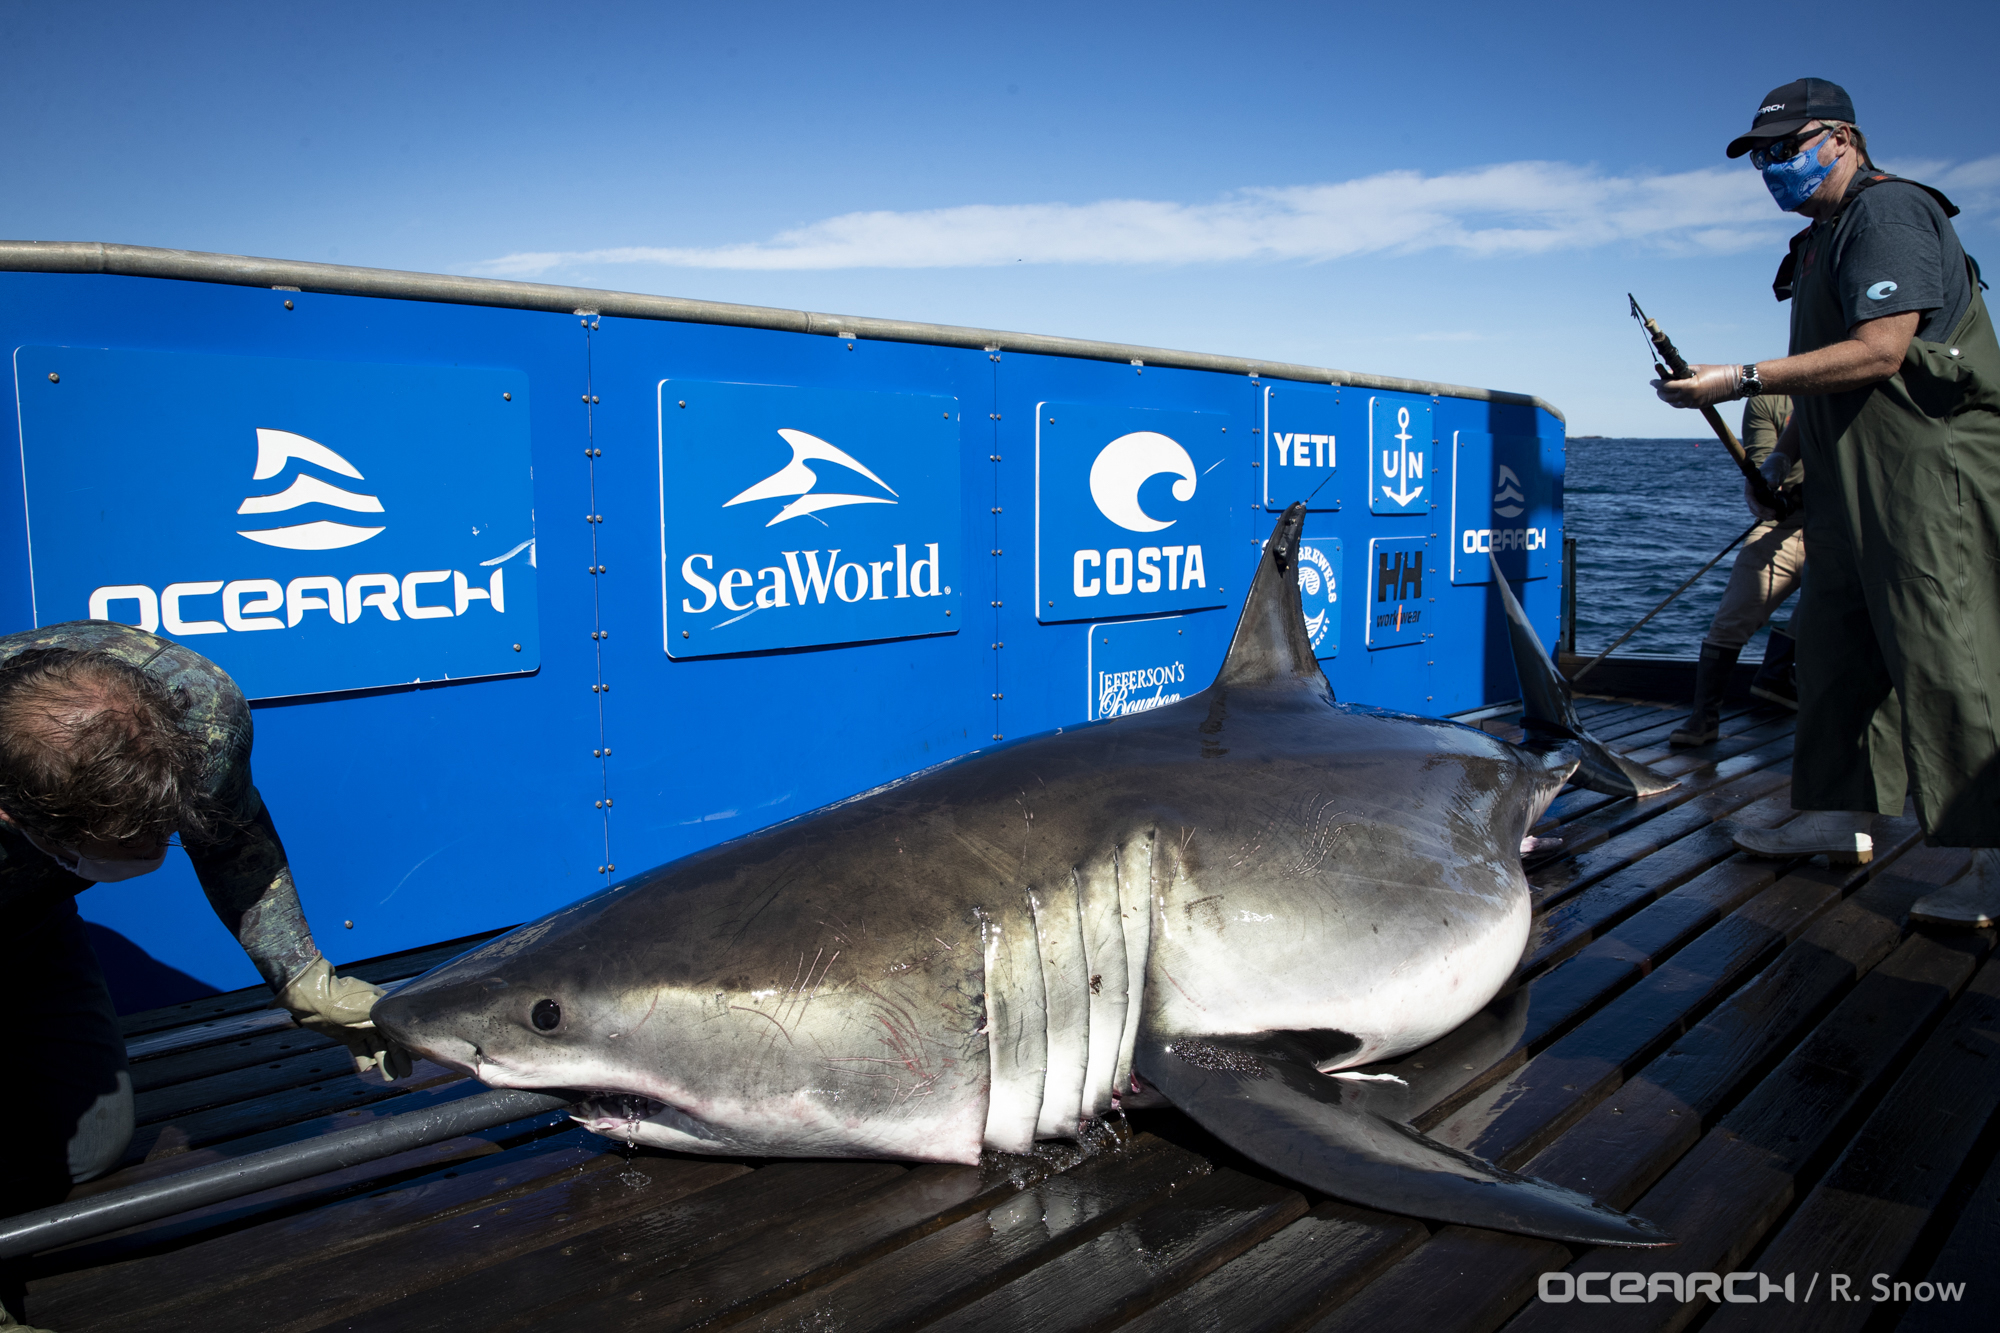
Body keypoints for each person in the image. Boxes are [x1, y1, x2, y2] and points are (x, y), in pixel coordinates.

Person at [1655, 77, 2000, 928]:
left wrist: (1736, 380)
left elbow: (1880, 352)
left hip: (1929, 471)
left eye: (1787, 146)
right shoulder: (1816, 243)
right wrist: (1778, 458)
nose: (1773, 164)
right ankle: (1843, 812)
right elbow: (1821, 375)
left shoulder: (1888, 215)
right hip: (1845, 478)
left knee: (1945, 652)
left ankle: (1992, 856)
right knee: (1834, 642)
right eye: (1760, 155)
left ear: (1843, 138)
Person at [0, 622, 407, 1327]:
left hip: (34, 914)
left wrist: (304, 978)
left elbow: (233, 836)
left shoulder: (197, 707)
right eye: (117, 847)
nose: (152, 854)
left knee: (91, 1145)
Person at [1669, 393, 1804, 747]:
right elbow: (1762, 462)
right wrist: (1767, 491)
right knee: (1732, 614)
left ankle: (1776, 673)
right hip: (1784, 523)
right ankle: (1704, 716)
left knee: (1829, 600)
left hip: (1846, 526)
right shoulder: (1767, 401)